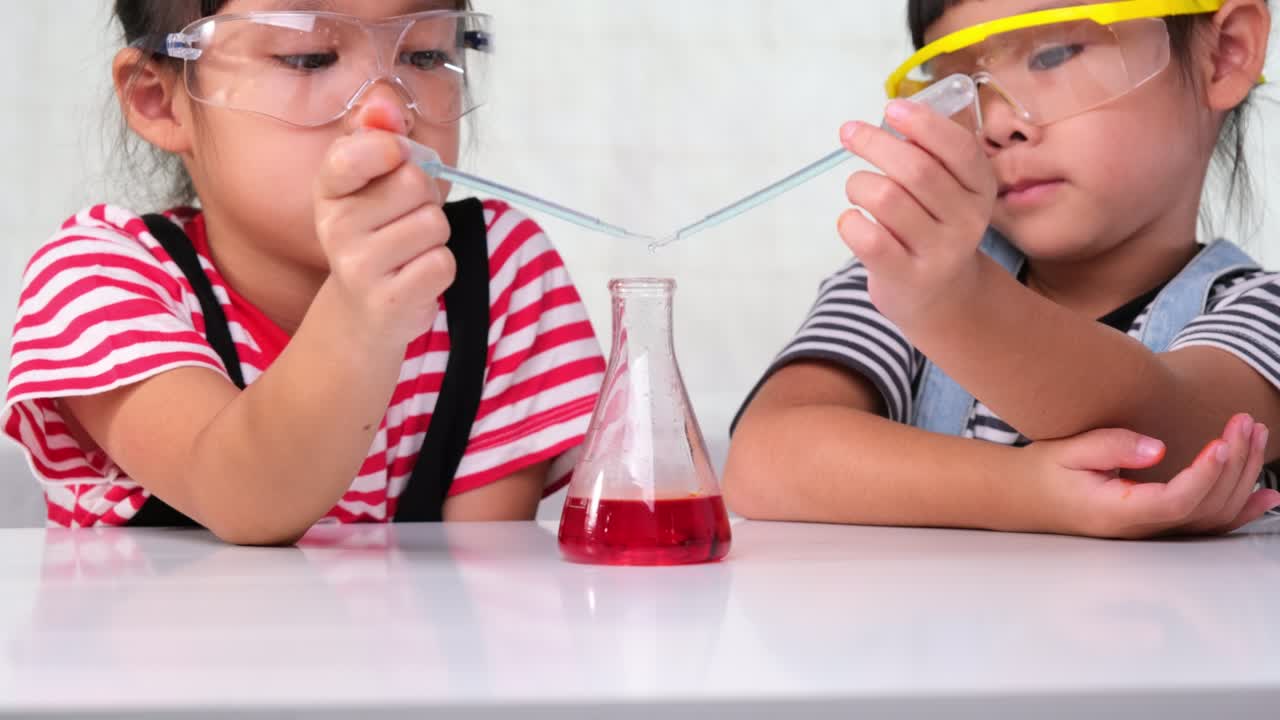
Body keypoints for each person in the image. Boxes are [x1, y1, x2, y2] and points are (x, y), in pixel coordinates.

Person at [4, 0, 604, 544]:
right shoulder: (99, 279)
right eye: (308, 57)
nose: (386, 110)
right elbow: (242, 497)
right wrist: (361, 313)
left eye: (425, 52)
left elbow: (481, 591)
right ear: (158, 101)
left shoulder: (500, 274)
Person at [727, 0, 1280, 539]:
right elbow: (763, 460)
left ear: (1225, 52)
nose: (994, 123)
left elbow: (1173, 444)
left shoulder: (1260, 309)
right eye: (957, 86)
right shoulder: (908, 279)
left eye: (1053, 55)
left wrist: (953, 304)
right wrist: (1027, 491)